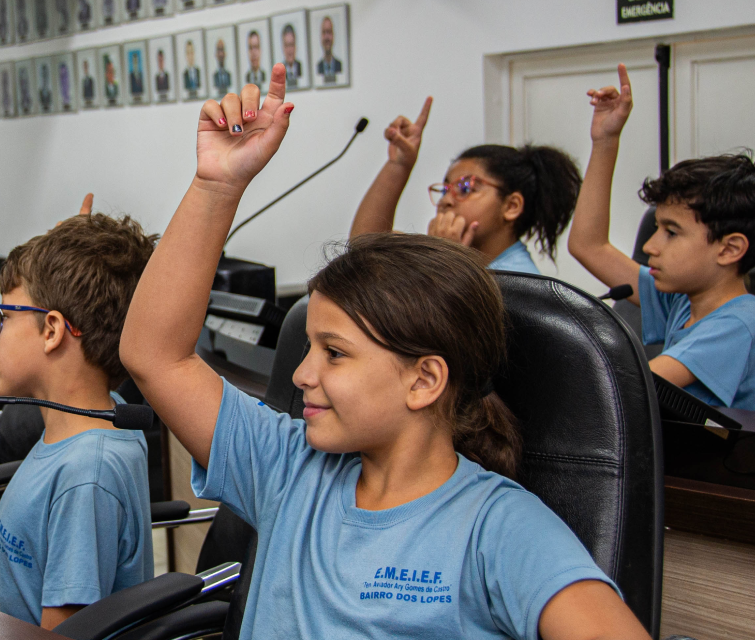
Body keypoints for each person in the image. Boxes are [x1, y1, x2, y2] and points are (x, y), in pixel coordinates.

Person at [119, 66, 651, 640]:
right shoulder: (288, 469)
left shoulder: (498, 528)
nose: (301, 374)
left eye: (335, 353)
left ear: (424, 381)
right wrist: (216, 185)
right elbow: (154, 354)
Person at [0, 214, 158, 629]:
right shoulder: (92, 416)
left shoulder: (87, 475)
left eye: (4, 318)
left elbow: (64, 633)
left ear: (52, 330)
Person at [568, 64, 755, 410]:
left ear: (730, 248)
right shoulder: (685, 300)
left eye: (671, 232)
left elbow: (629, 389)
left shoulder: (740, 323)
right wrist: (605, 140)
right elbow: (588, 246)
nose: (651, 246)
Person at [349, 97, 581, 273]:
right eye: (445, 189)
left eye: (466, 188)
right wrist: (399, 165)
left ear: (511, 206)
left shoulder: (519, 281)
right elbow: (365, 249)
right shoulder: (456, 252)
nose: (446, 201)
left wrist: (445, 260)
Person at [316, 15, 342, 84]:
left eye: (329, 32)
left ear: (333, 36)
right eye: (324, 32)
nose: (326, 37)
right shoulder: (318, 66)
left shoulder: (340, 65)